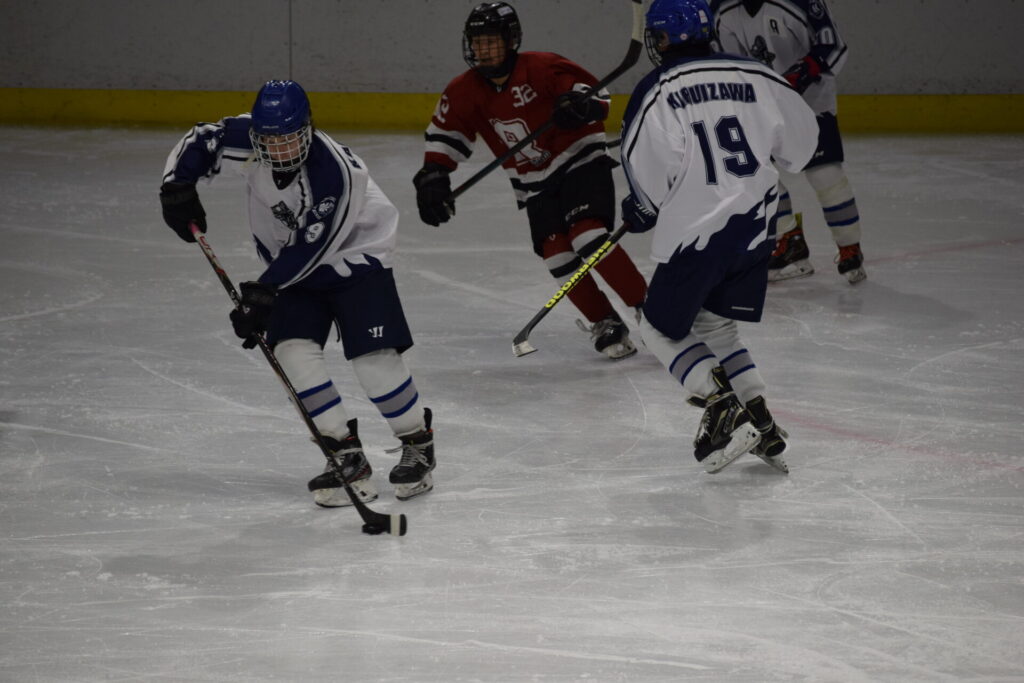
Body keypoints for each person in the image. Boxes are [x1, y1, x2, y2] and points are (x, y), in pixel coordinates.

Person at [159, 80, 436, 506]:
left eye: (288, 138)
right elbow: (203, 138)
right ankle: (345, 455)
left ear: (307, 128)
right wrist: (177, 186)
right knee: (291, 350)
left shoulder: (336, 173)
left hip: (356, 259)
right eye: (269, 140)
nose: (279, 149)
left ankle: (417, 443)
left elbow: (313, 243)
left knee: (373, 360)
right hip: (291, 266)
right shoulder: (248, 139)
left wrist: (264, 291)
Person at [619, 0, 819, 473]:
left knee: (656, 326)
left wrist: (641, 206)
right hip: (756, 228)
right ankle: (760, 420)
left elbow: (645, 164)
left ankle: (719, 401)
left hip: (699, 234)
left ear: (662, 39)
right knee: (715, 327)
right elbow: (802, 144)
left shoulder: (659, 87)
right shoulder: (757, 75)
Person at [414, 1, 649, 360]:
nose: (482, 50)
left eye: (491, 41)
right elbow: (445, 135)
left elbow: (597, 97)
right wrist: (434, 175)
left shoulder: (542, 67)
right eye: (477, 42)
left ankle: (649, 306)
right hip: (534, 182)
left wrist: (578, 106)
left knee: (588, 235)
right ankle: (605, 321)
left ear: (511, 41)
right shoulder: (464, 90)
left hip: (580, 161)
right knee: (557, 255)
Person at [712, 0, 866, 284]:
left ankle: (849, 247)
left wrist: (804, 71)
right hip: (761, 104)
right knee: (752, 172)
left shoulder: (800, 2)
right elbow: (726, 62)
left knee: (824, 173)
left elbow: (833, 46)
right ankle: (790, 242)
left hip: (810, 102)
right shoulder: (722, 8)